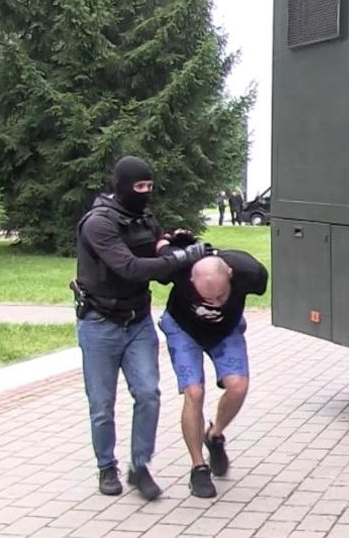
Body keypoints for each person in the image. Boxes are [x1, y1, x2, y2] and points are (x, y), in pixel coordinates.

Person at [74, 156, 209, 499]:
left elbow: (158, 257)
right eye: (139, 187)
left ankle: (140, 466)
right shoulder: (98, 223)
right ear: (121, 186)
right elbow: (130, 268)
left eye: (150, 186)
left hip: (137, 321)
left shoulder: (144, 218)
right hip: (100, 322)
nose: (146, 193)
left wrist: (179, 247)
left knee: (148, 394)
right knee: (102, 404)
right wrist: (178, 259)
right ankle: (107, 466)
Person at [158, 243, 267, 498]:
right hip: (183, 329)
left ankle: (214, 435)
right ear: (191, 279)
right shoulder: (179, 266)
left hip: (225, 331)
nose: (215, 303)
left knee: (238, 386)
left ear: (229, 273)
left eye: (221, 296)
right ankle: (198, 468)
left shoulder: (250, 272)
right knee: (194, 392)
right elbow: (156, 250)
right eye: (208, 298)